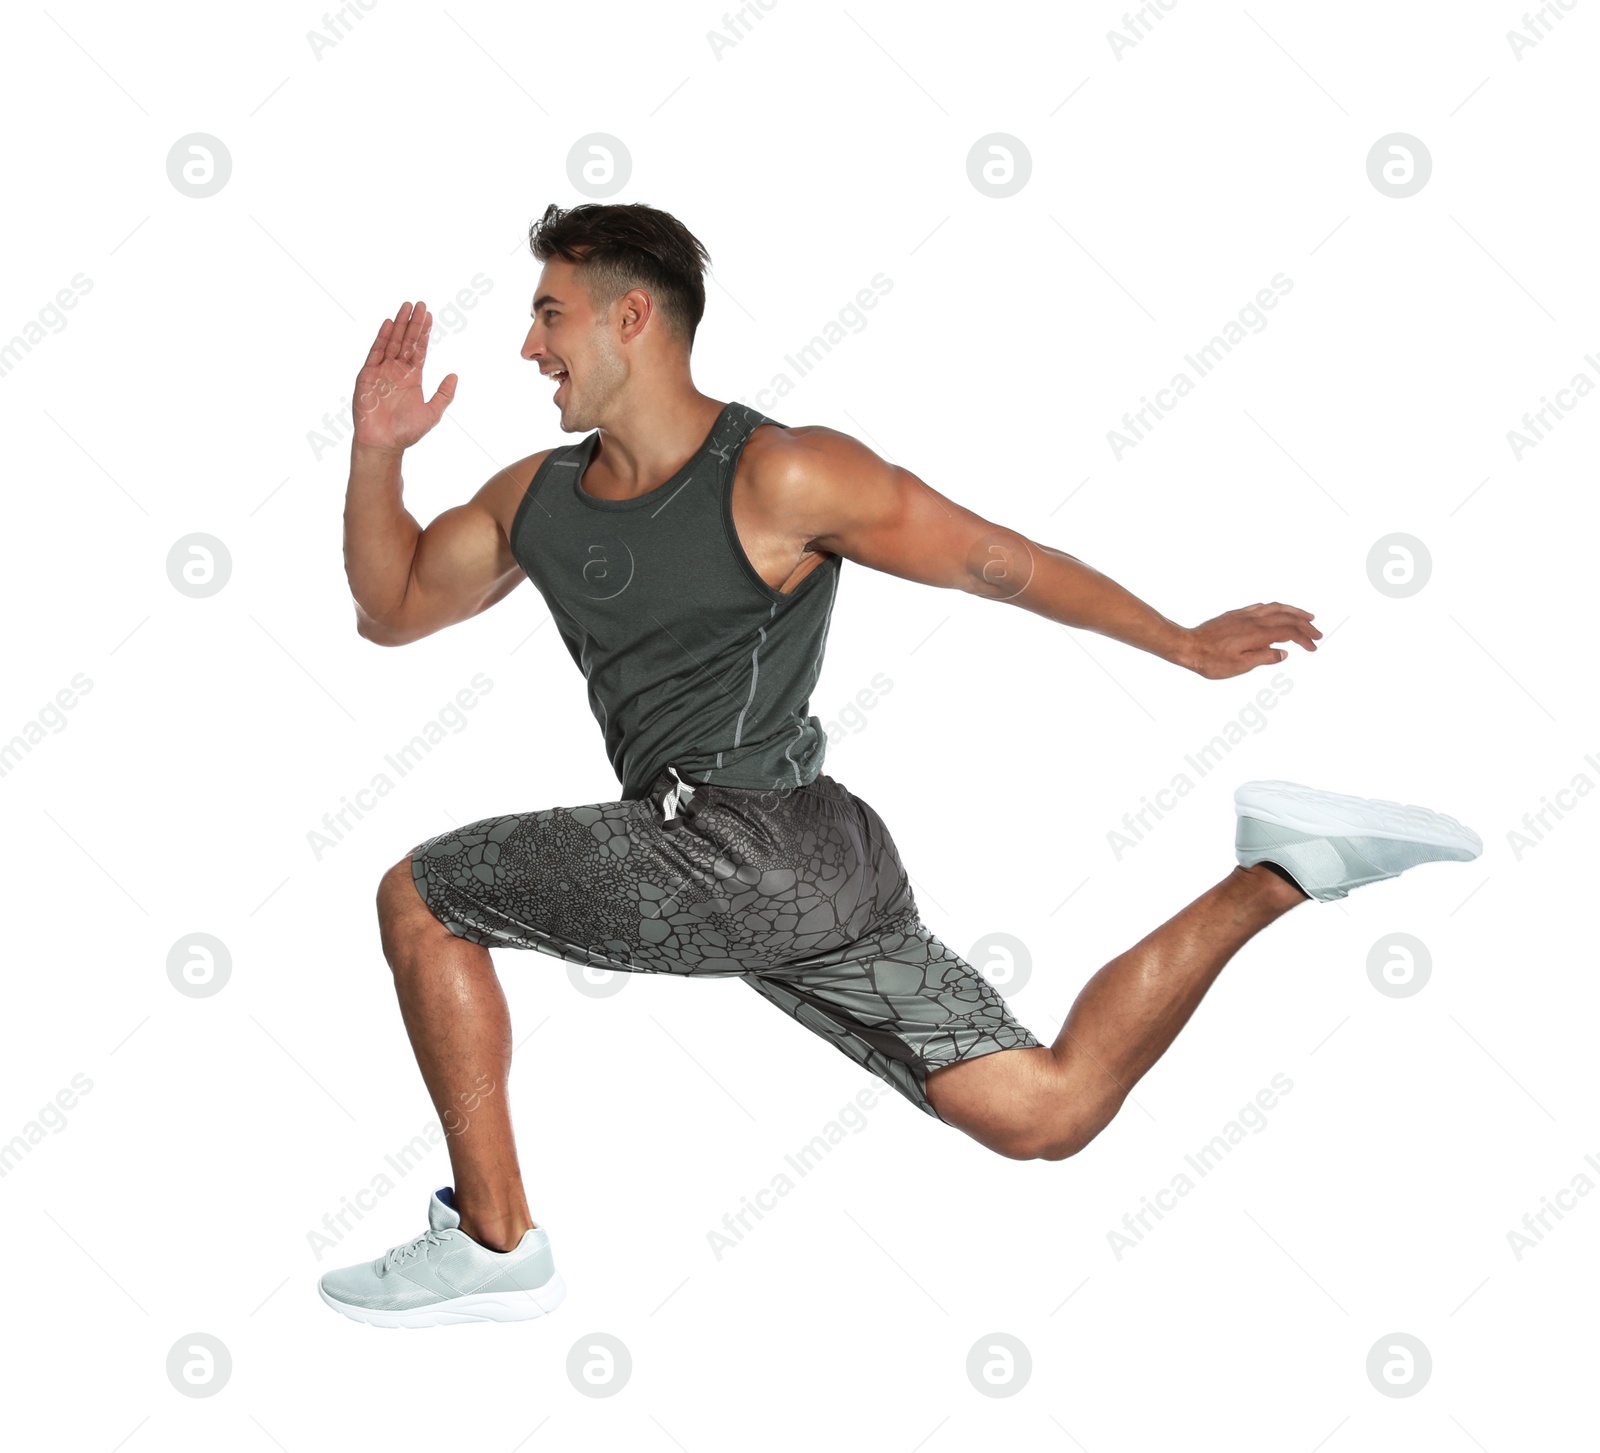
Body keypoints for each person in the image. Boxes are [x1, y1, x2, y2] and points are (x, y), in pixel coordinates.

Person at [320, 202, 1480, 1327]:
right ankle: (1285, 867)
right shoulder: (538, 497)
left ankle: (492, 1243)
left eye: (549, 315)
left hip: (734, 852)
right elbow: (394, 610)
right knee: (1044, 1110)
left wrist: (1176, 640)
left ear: (633, 319)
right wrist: (377, 454)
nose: (528, 347)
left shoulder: (781, 474)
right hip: (819, 860)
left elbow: (992, 559)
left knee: (421, 898)